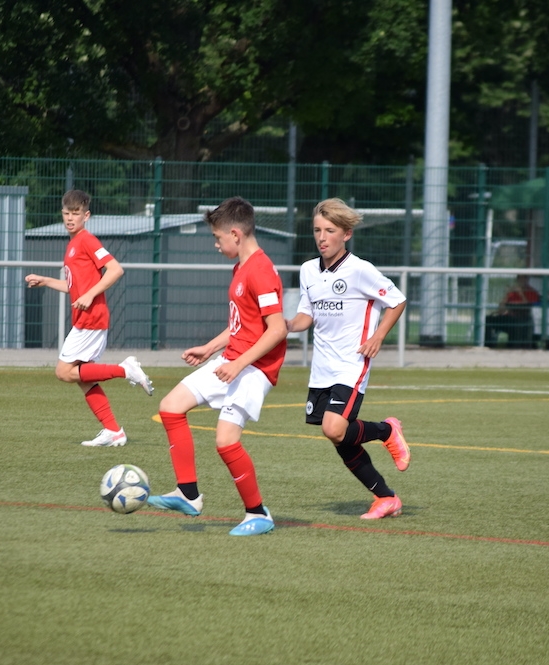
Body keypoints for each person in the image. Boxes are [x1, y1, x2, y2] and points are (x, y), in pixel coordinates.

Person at [147, 196, 288, 536]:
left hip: (253, 369)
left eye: (217, 237)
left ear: (235, 234)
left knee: (226, 442)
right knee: (170, 407)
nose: (215, 244)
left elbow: (277, 329)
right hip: (232, 360)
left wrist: (238, 364)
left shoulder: (260, 270)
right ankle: (188, 494)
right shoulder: (241, 267)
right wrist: (210, 348)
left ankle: (258, 514)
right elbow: (242, 324)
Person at [286, 198, 411, 520]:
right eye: (317, 230)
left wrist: (378, 336)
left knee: (334, 428)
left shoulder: (360, 270)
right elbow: (305, 316)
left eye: (330, 230)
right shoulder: (308, 270)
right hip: (322, 368)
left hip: (351, 363)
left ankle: (386, 431)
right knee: (340, 437)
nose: (322, 237)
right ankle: (386, 498)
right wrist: (284, 325)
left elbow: (397, 301)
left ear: (346, 234)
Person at [24, 189, 154, 448]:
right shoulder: (73, 245)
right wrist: (46, 281)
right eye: (66, 213)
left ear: (86, 216)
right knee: (83, 378)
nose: (70, 218)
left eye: (75, 214)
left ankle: (125, 369)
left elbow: (115, 270)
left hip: (91, 318)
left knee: (64, 372)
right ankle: (113, 431)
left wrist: (91, 295)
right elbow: (75, 288)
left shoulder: (86, 240)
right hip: (85, 317)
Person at [485, 275, 539, 348]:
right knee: (488, 319)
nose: (522, 280)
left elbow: (528, 305)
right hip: (509, 317)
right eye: (520, 278)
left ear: (527, 280)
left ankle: (513, 346)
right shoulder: (512, 292)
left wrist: (521, 293)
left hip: (522, 319)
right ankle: (489, 345)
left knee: (516, 324)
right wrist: (507, 294)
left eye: (524, 278)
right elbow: (501, 308)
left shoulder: (531, 291)